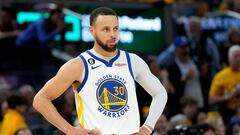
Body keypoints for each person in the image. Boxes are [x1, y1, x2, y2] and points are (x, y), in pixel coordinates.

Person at [33, 7, 167, 135]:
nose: (112, 34)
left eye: (115, 29)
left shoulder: (133, 61)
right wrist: (69, 130)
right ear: (92, 31)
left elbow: (160, 93)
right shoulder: (78, 65)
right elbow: (40, 100)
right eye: (106, 30)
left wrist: (148, 127)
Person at [209, 45, 240, 123]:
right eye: (235, 56)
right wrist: (228, 96)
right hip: (229, 112)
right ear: (229, 59)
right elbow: (211, 100)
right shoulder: (221, 76)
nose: (238, 59)